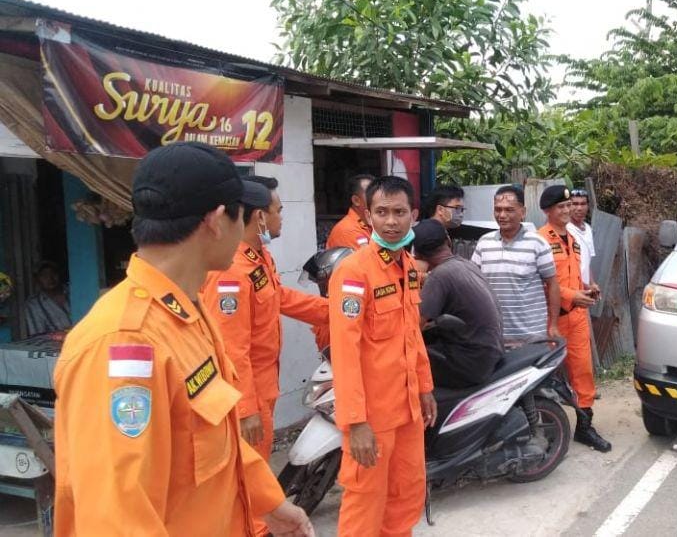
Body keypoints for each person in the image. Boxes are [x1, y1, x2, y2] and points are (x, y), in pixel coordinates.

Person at [53, 142, 313, 536]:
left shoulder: (186, 313)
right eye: (242, 215)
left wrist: (269, 502)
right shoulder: (123, 343)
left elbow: (217, 441)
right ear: (216, 220)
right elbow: (116, 520)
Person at [201, 175, 328, 533]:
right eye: (278, 210)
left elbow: (282, 298)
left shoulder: (258, 258)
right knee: (248, 479)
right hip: (247, 395)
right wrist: (246, 409)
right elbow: (231, 348)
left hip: (263, 386)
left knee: (255, 473)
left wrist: (331, 310)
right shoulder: (231, 274)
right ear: (258, 217)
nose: (282, 217)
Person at [328, 175, 437, 536]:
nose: (391, 222)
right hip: (372, 419)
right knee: (364, 507)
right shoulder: (354, 272)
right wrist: (355, 423)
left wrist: (424, 387)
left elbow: (411, 336)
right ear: (368, 215)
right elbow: (345, 354)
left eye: (399, 212)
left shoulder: (406, 265)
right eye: (382, 212)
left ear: (414, 215)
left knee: (405, 498)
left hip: (406, 412)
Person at [538, 185, 612, 453]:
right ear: (547, 211)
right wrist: (572, 295)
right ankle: (542, 426)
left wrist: (588, 287)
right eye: (562, 207)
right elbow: (543, 283)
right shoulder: (540, 241)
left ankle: (584, 426)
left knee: (583, 372)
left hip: (577, 316)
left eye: (570, 206)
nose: (568, 210)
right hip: (551, 320)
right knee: (543, 375)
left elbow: (577, 274)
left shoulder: (575, 239)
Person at [412, 219, 502, 388]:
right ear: (447, 240)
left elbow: (415, 326)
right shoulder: (465, 264)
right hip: (490, 352)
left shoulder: (439, 277)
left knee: (407, 366)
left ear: (418, 256)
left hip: (472, 363)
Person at [471, 185, 561, 344]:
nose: (502, 215)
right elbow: (473, 283)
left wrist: (553, 325)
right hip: (493, 336)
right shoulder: (484, 243)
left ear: (523, 212)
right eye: (498, 209)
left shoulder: (537, 243)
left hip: (530, 336)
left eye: (509, 210)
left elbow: (552, 284)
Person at [325, 173, 375, 249]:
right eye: (371, 194)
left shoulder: (370, 224)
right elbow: (378, 259)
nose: (378, 198)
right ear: (356, 200)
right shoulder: (349, 230)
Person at [23, 261, 71, 337]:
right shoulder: (33, 304)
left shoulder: (74, 291)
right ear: (36, 280)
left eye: (53, 273)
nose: (50, 278)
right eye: (44, 276)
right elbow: (38, 336)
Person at [568, 189, 597, 286]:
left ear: (588, 206)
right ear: (568, 205)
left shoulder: (588, 229)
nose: (579, 208)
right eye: (575, 204)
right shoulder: (565, 229)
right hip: (572, 289)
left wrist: (592, 284)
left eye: (583, 204)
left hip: (585, 290)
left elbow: (586, 262)